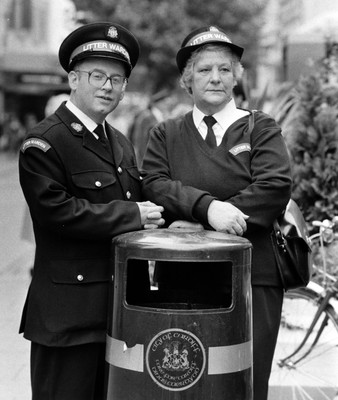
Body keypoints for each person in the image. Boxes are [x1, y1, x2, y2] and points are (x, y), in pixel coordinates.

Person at [141, 26, 292, 400]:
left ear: (236, 78)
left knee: (247, 383)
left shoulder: (261, 128)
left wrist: (202, 221)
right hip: (185, 277)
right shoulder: (166, 133)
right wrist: (210, 210)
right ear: (187, 80)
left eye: (225, 69)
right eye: (205, 69)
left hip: (254, 279)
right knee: (186, 381)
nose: (216, 77)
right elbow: (155, 184)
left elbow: (274, 187)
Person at [18, 22, 164, 400]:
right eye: (97, 75)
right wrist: (134, 215)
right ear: (72, 78)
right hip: (67, 317)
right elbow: (59, 212)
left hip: (117, 314)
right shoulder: (45, 142)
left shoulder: (119, 142)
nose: (107, 87)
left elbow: (147, 190)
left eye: (117, 79)